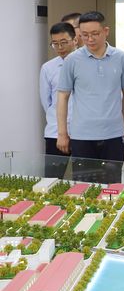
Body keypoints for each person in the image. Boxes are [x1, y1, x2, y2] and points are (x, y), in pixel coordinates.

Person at [56, 11, 124, 183]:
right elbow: (62, 96)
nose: (90, 39)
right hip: (82, 135)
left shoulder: (121, 58)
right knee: (84, 186)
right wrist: (62, 133)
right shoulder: (72, 60)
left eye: (95, 34)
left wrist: (123, 123)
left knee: (112, 185)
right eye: (84, 35)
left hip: (113, 134)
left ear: (106, 31)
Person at [39, 22, 78, 178]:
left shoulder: (86, 64)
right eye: (55, 44)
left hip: (83, 132)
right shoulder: (48, 68)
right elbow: (46, 102)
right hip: (55, 133)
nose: (60, 47)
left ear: (75, 40)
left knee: (84, 179)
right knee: (52, 178)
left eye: (63, 42)